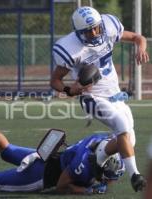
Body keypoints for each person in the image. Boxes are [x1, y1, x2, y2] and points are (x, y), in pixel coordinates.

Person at [50, 6, 149, 192]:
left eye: (96, 27)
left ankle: (98, 156)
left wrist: (140, 49)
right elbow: (55, 80)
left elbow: (138, 38)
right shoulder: (70, 49)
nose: (94, 32)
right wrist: (70, 90)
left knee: (129, 140)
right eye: (88, 31)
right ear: (78, 33)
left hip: (115, 93)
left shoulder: (109, 26)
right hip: (92, 97)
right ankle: (135, 175)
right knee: (122, 126)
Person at [0, 109, 125, 194]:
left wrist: (104, 179)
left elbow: (118, 141)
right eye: (106, 176)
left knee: (7, 149)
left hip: (47, 155)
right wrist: (87, 190)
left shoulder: (99, 141)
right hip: (41, 175)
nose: (108, 180)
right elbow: (63, 186)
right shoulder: (85, 167)